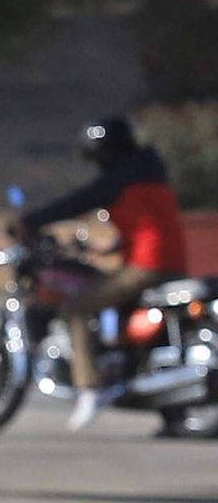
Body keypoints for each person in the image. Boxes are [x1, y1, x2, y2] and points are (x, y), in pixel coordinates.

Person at [19, 115, 189, 430]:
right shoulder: (148, 172)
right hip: (168, 262)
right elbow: (147, 223)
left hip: (148, 266)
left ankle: (89, 387)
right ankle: (172, 414)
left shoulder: (124, 176)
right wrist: (109, 249)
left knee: (75, 308)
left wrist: (30, 222)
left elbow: (81, 200)